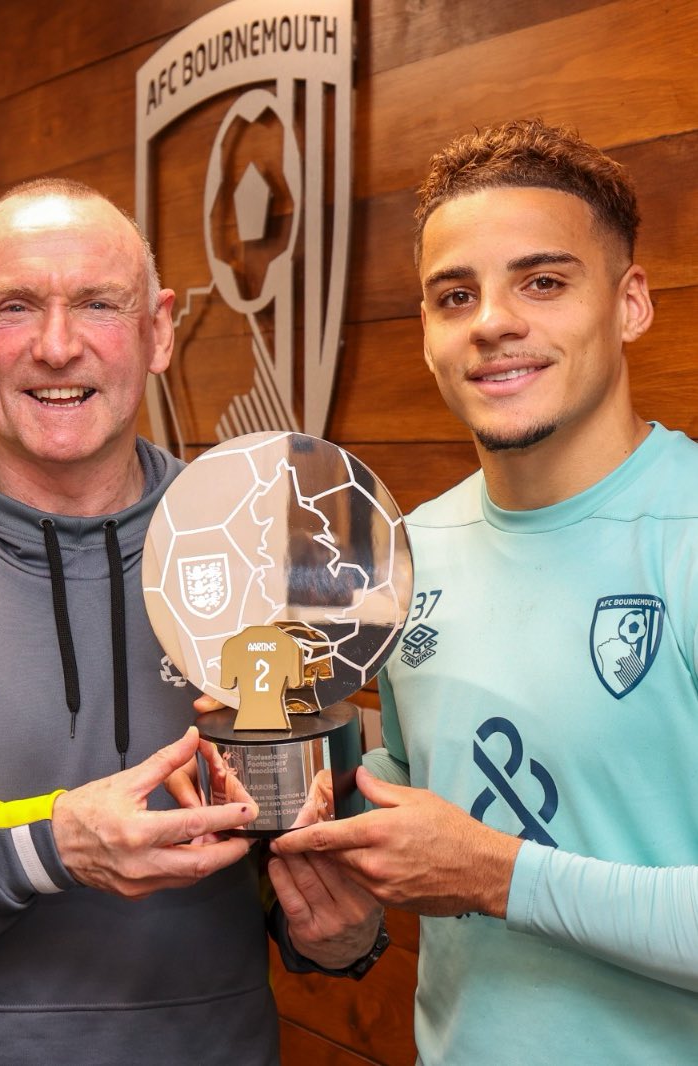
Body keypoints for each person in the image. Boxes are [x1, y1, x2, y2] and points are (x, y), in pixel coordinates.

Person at [0, 178, 381, 1065]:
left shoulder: (269, 550)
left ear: (159, 328)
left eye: (98, 304)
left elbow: (315, 837)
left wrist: (336, 935)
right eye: (14, 307)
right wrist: (41, 847)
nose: (58, 348)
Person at [273, 120, 698, 1062]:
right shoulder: (403, 548)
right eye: (453, 295)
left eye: (542, 281)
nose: (492, 322)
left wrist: (497, 876)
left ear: (628, 304)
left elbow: (470, 859)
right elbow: (428, 792)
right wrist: (335, 886)